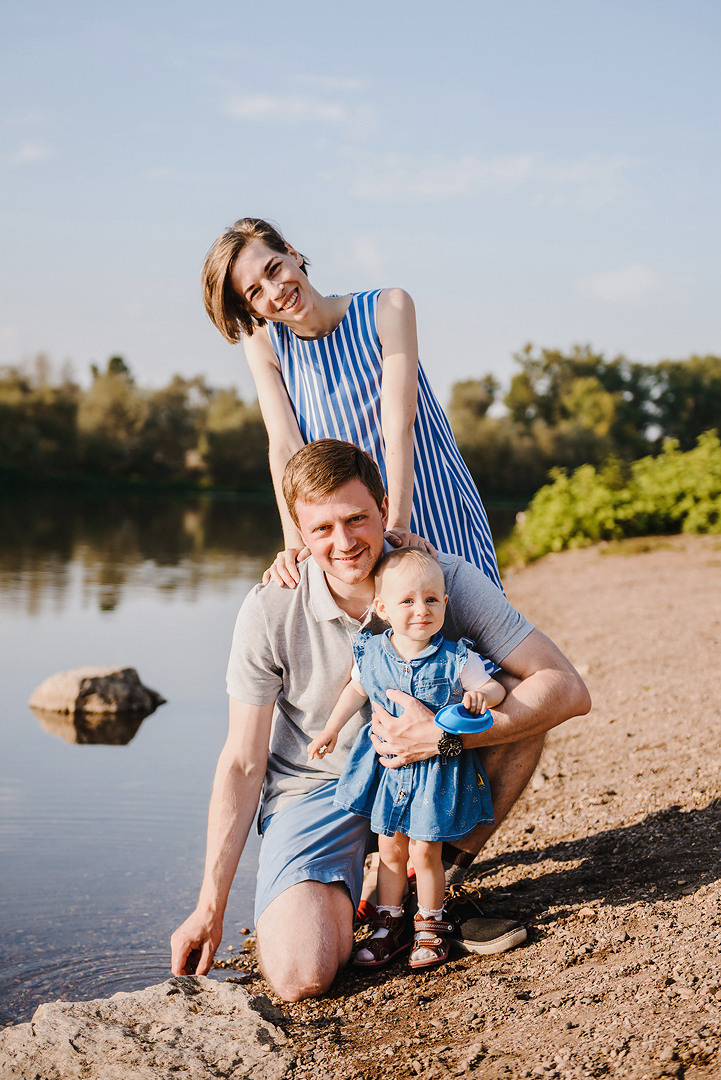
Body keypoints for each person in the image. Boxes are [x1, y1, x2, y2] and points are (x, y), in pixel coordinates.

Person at [170, 439, 591, 1002]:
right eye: (321, 529)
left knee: (519, 698)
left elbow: (567, 687)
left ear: (385, 507)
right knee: (302, 976)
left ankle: (431, 885)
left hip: (432, 772)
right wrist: (208, 906)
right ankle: (353, 893)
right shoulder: (270, 607)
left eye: (356, 518)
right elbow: (244, 762)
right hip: (316, 789)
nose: (343, 543)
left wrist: (444, 735)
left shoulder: (440, 582)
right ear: (296, 531)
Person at [201, 217, 503, 589]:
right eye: (255, 292)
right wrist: (294, 546)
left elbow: (398, 424)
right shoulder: (264, 344)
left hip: (426, 495)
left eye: (274, 268)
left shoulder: (388, 307)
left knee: (469, 626)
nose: (275, 290)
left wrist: (397, 528)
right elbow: (284, 446)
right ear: (252, 310)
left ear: (292, 254)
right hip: (351, 529)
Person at [308, 547, 507, 970]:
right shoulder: (373, 652)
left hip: (434, 772)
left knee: (424, 851)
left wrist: (480, 698)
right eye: (408, 601)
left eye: (432, 599)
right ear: (382, 607)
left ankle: (430, 924)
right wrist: (331, 728)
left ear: (445, 603)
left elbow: (496, 689)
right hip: (388, 770)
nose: (422, 609)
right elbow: (356, 691)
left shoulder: (457, 657)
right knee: (389, 851)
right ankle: (389, 924)